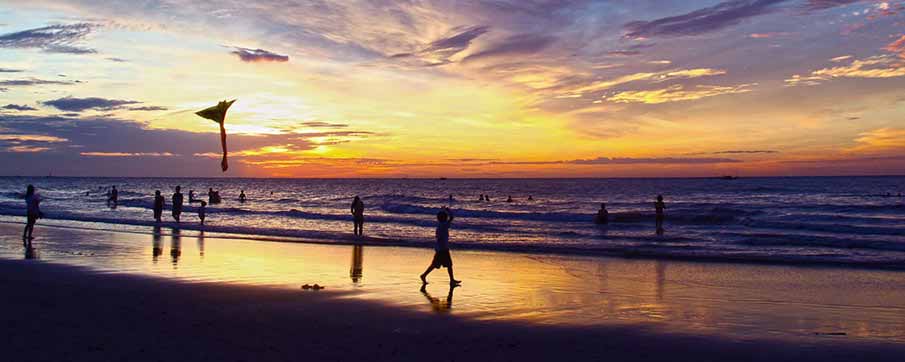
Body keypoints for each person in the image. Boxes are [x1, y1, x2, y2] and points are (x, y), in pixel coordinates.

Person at [420, 207, 461, 286]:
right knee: (445, 265)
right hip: (443, 249)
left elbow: (439, 238)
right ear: (444, 218)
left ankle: (424, 275)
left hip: (441, 248)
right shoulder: (443, 225)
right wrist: (448, 210)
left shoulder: (440, 226)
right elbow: (451, 218)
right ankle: (451, 280)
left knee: (437, 265)